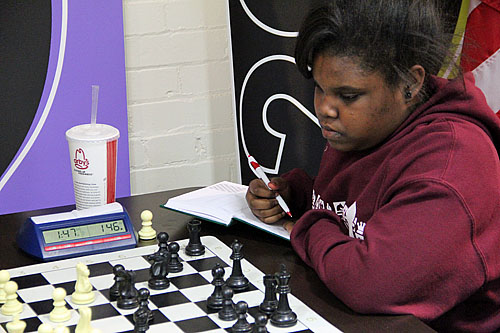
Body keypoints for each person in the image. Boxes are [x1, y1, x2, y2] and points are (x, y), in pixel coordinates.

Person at [245, 0, 500, 332]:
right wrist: (292, 194)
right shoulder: (368, 125)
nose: (325, 108)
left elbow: (368, 283)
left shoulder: (450, 166)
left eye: (348, 96)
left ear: (410, 83)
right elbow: (358, 210)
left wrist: (304, 224)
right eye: (319, 89)